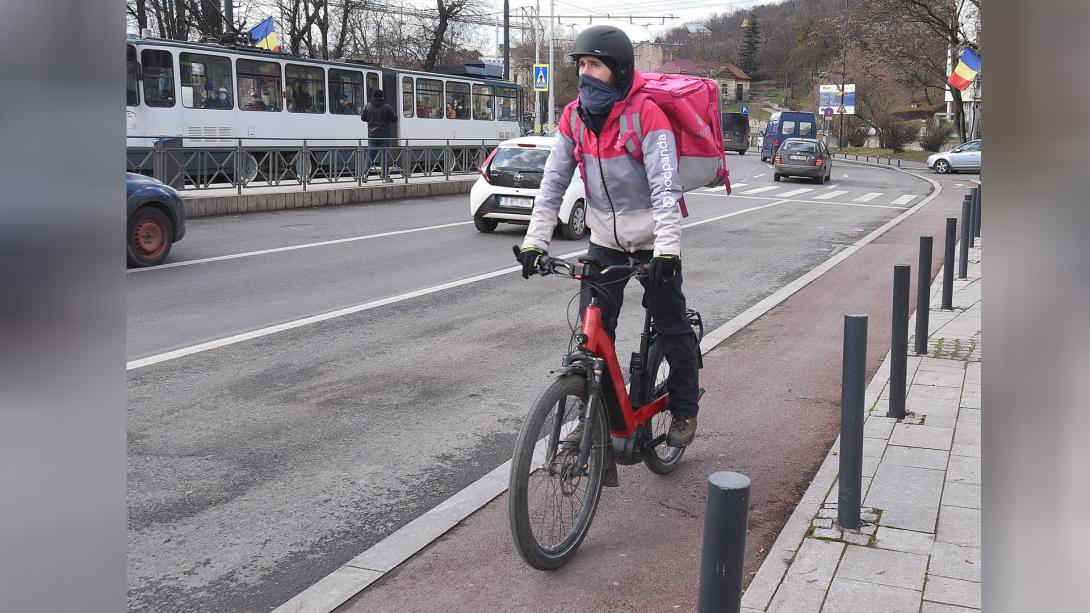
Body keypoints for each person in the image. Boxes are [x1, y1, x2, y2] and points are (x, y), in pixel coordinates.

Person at [514, 25, 700, 448]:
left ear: (618, 70)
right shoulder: (573, 118)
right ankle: (590, 417)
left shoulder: (645, 115)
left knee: (672, 328)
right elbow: (553, 182)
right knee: (593, 333)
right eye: (581, 65)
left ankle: (686, 409)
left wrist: (668, 248)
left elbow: (665, 187)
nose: (585, 73)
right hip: (605, 242)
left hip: (654, 241)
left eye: (594, 64)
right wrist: (535, 241)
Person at [361, 89, 398, 182]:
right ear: (382, 97)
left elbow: (363, 118)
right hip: (384, 135)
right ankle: (385, 176)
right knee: (385, 155)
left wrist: (371, 120)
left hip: (372, 135)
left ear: (373, 96)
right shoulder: (387, 107)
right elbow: (395, 119)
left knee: (370, 155)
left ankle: (365, 175)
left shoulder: (367, 106)